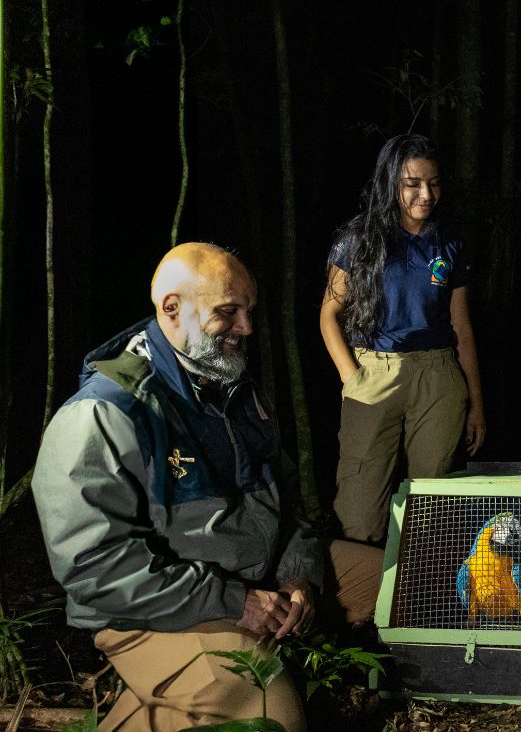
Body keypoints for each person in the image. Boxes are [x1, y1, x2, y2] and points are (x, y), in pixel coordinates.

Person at [32, 243, 382, 731]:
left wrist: (298, 576)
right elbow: (95, 571)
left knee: (407, 580)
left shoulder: (236, 390)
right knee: (267, 717)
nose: (247, 327)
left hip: (255, 579)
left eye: (249, 311)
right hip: (159, 609)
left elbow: (288, 505)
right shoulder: (102, 414)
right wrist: (237, 602)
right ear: (171, 308)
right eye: (228, 312)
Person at [321, 134, 484, 545]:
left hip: (438, 376)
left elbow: (462, 328)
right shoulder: (357, 240)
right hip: (373, 373)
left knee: (433, 502)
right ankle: (361, 606)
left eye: (433, 183)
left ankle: (422, 601)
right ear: (391, 182)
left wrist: (477, 404)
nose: (425, 194)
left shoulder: (449, 243)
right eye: (412, 183)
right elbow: (329, 314)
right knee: (360, 505)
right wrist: (352, 378)